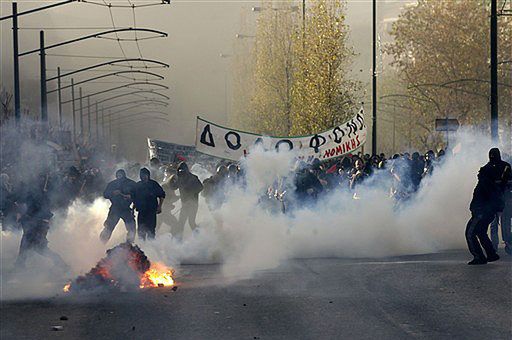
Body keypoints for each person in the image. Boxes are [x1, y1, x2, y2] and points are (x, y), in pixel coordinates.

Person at [465, 148, 511, 265]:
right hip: (492, 208)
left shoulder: (486, 172)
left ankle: (479, 257)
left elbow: (490, 192)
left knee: (470, 233)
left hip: (482, 209)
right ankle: (491, 254)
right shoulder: (504, 168)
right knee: (481, 231)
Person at [15, 173, 67, 269]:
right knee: (27, 243)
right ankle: (20, 264)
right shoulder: (41, 194)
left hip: (38, 224)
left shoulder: (37, 195)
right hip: (36, 223)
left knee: (39, 247)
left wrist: (26, 216)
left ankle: (61, 264)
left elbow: (37, 210)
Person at [100, 169, 136, 243]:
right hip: (115, 209)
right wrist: (113, 193)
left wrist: (131, 196)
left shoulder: (131, 183)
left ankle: (129, 245)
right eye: (118, 176)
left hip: (126, 209)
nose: (120, 177)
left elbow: (138, 194)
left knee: (131, 228)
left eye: (121, 176)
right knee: (108, 228)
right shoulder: (112, 184)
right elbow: (105, 194)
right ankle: (101, 243)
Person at [133, 168, 166, 240]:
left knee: (151, 230)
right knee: (141, 231)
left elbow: (162, 195)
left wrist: (160, 206)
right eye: (142, 175)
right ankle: (142, 247)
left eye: (145, 175)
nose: (143, 177)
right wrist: (133, 208)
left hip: (151, 211)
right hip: (141, 211)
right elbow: (134, 197)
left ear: (148, 175)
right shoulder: (138, 185)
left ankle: (150, 248)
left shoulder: (154, 184)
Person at [175, 162, 203, 237]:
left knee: (191, 222)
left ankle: (199, 237)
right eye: (180, 171)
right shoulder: (179, 178)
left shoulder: (193, 178)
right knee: (181, 222)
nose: (181, 172)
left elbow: (201, 187)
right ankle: (178, 240)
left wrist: (191, 193)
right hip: (184, 204)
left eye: (183, 171)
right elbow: (174, 187)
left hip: (193, 204)